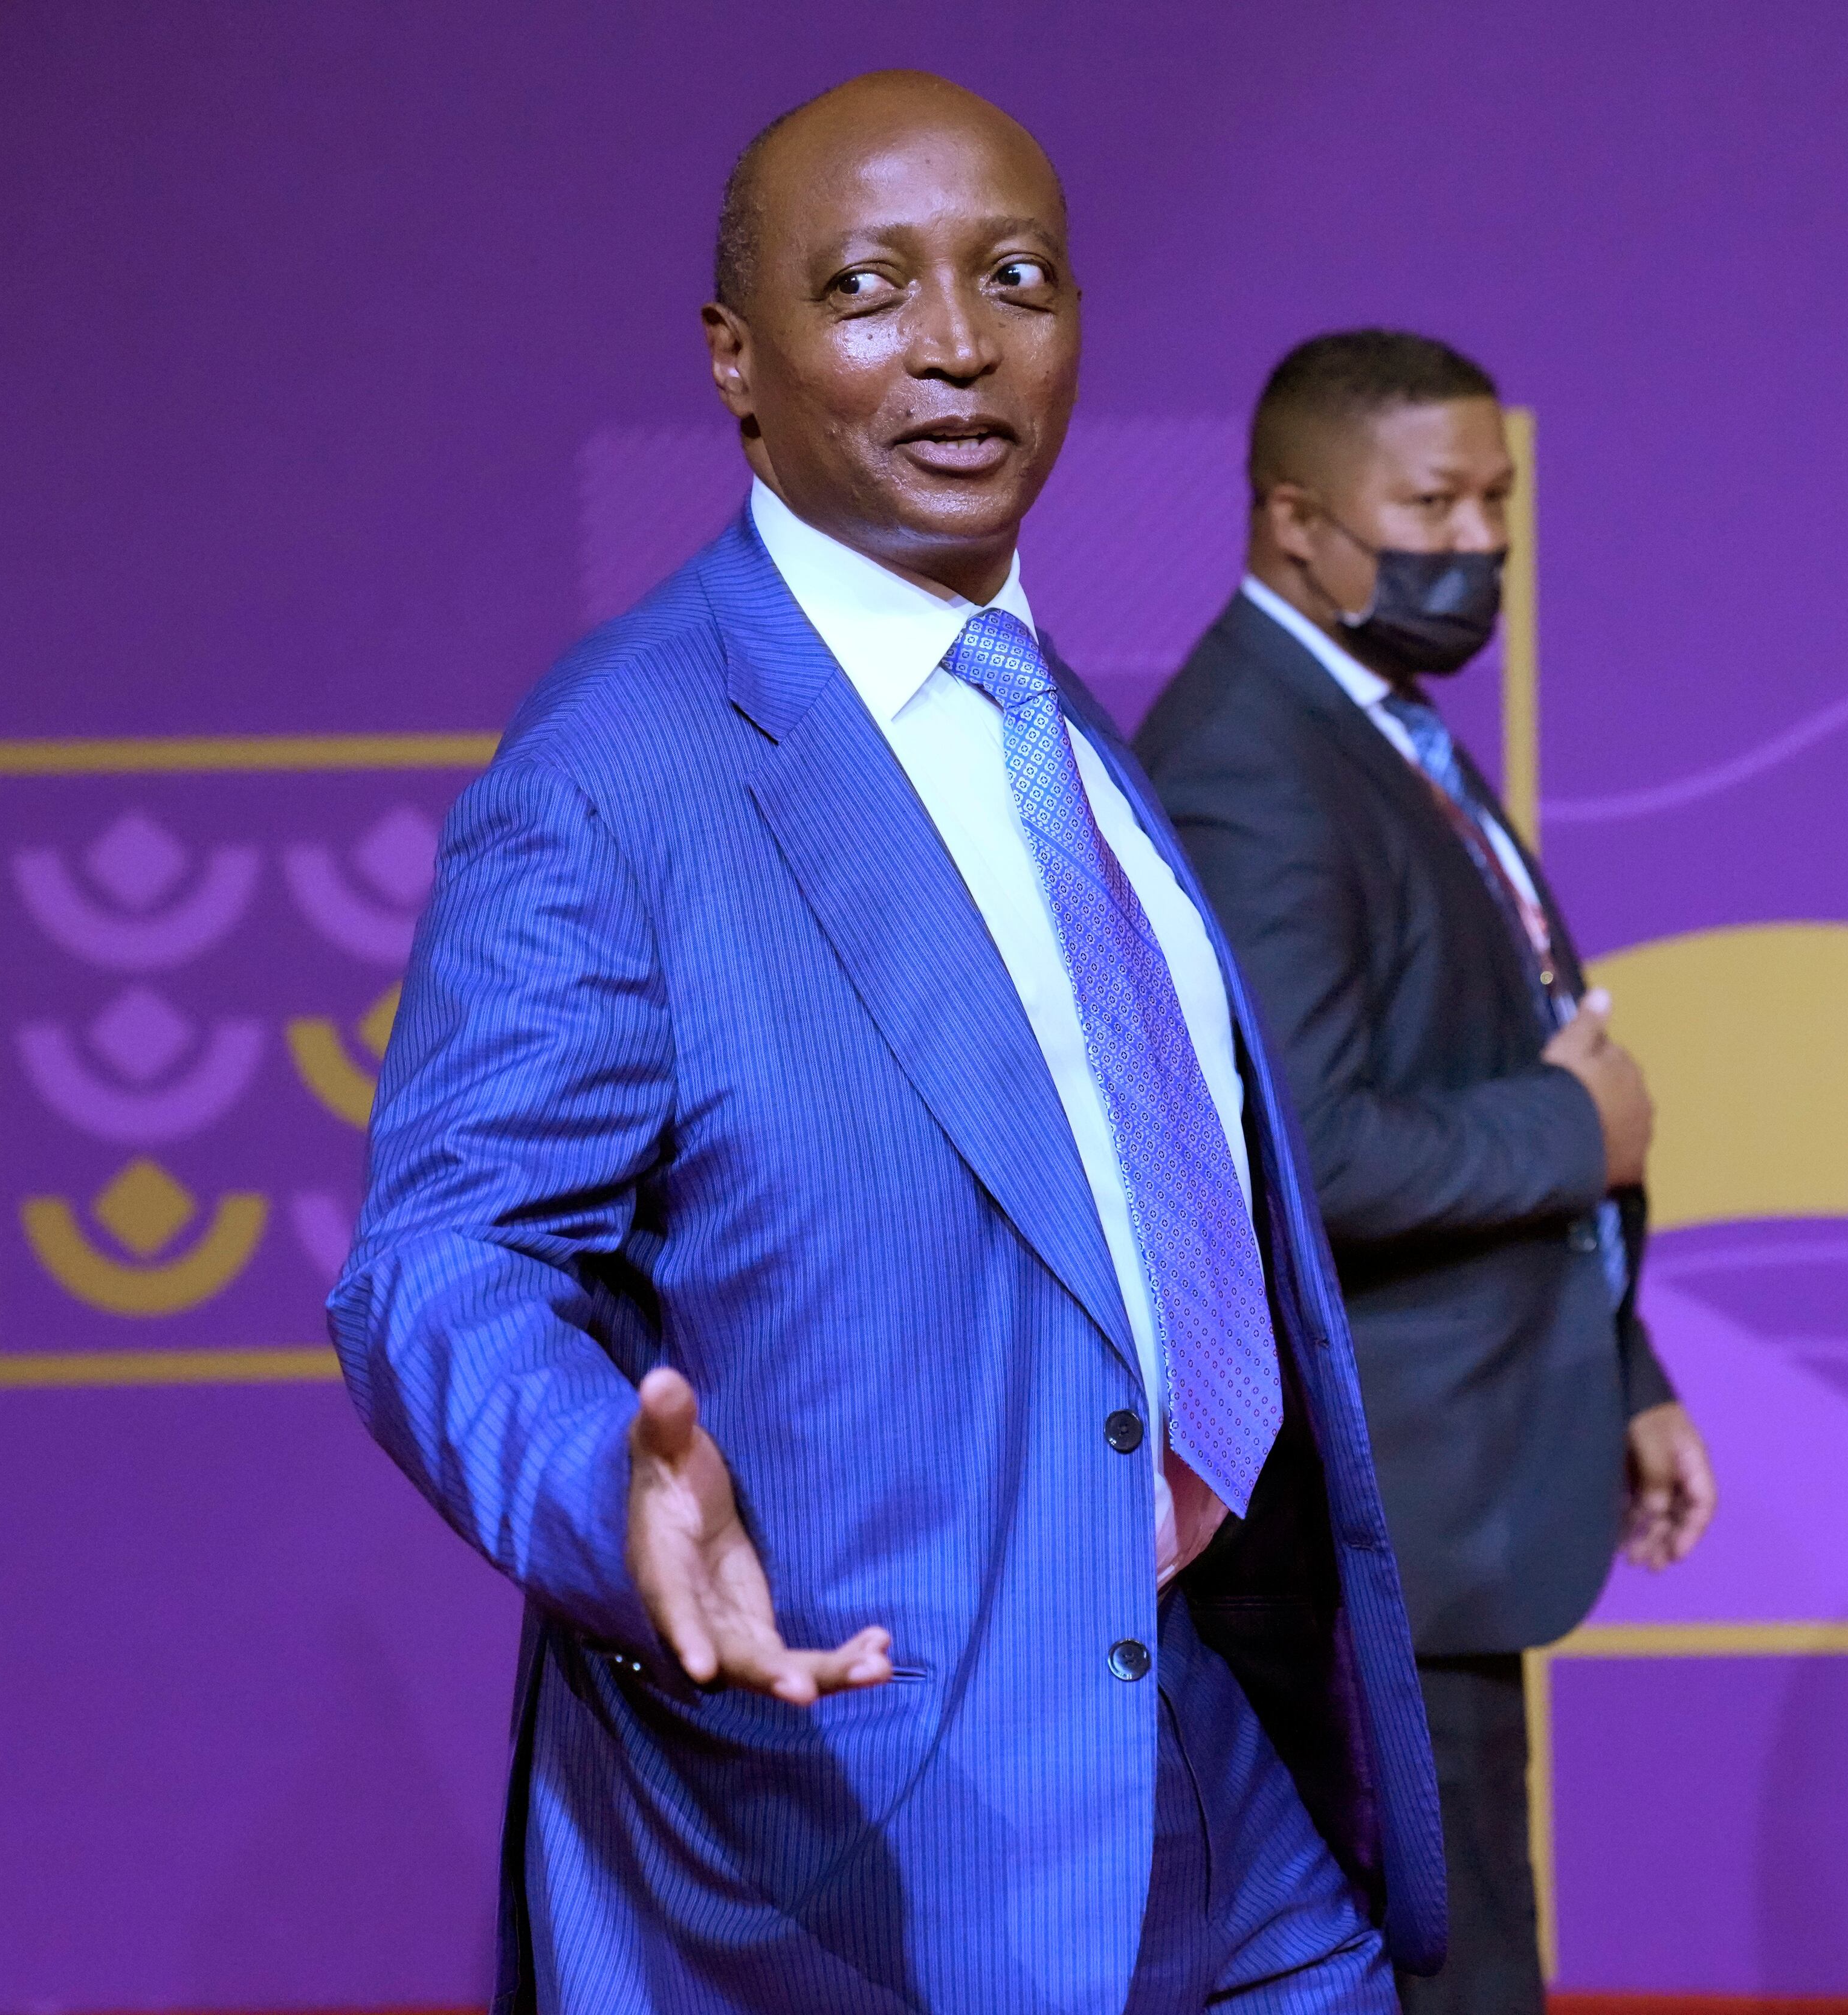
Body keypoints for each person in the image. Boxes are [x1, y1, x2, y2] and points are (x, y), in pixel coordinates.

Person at [330, 77, 1445, 2015]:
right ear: (736, 360)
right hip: (857, 1820)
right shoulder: (619, 768)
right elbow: (442, 1260)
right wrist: (605, 1495)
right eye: (866, 289)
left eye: (1017, 279)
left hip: (1191, 1741)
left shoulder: (1048, 713)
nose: (957, 343)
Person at [1133, 332, 1718, 2014]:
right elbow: (1301, 1151)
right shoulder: (1249, 762)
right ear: (1295, 520)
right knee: (1436, 1982)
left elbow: (1473, 1048)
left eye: (1497, 503)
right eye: (1434, 507)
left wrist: (1621, 1368)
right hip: (1365, 1529)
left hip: (1461, 1488)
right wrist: (1580, 1134)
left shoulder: (1376, 726)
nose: (1479, 545)